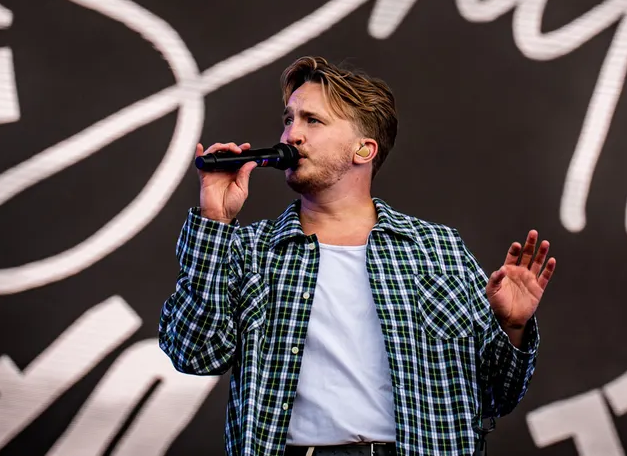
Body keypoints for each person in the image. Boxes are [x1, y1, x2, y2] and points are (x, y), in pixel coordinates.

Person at [158, 56, 556, 456]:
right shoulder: (252, 250)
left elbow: (497, 395)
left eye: (313, 121)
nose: (292, 134)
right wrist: (214, 220)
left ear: (363, 149)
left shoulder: (438, 249)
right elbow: (195, 353)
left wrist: (512, 328)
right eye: (289, 119)